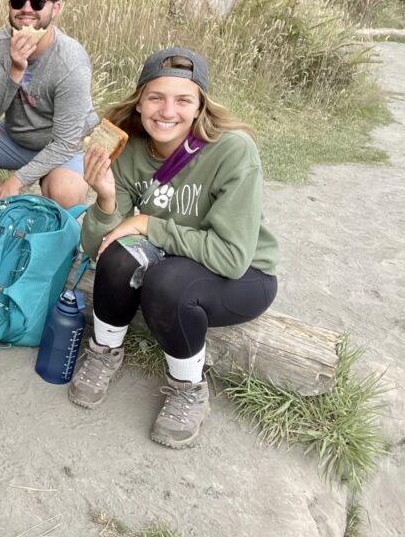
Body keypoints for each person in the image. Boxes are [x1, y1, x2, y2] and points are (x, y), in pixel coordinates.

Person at [74, 47, 279, 448]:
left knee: (167, 281)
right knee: (117, 259)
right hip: (175, 257)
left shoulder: (233, 151)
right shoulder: (131, 147)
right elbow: (97, 248)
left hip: (243, 275)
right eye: (156, 97)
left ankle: (188, 388)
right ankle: (103, 353)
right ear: (140, 101)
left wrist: (149, 224)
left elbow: (232, 257)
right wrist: (106, 200)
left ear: (200, 105)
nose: (167, 111)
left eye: (183, 99)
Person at [0, 0, 96, 209]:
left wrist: (18, 179)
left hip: (61, 146)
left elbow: (66, 142)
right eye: (18, 1)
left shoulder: (71, 62)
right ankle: (5, 198)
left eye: (37, 3)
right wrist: (15, 70)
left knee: (66, 192)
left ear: (56, 8)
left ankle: (37, 198)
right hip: (14, 138)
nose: (26, 9)